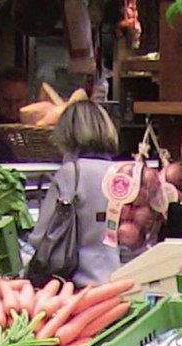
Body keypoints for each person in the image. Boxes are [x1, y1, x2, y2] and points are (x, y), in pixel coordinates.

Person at [29, 100, 123, 286]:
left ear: (66, 133)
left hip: (78, 285)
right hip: (121, 279)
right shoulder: (122, 174)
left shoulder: (71, 173)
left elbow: (41, 236)